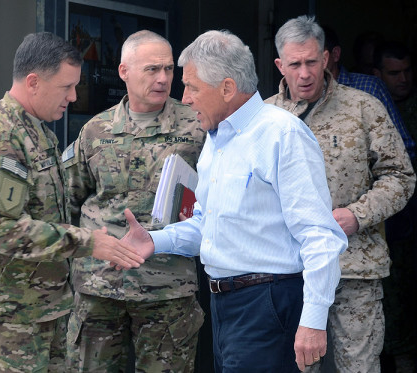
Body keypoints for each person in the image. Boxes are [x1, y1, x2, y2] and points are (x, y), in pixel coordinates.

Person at [120, 29, 349, 373]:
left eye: (193, 88)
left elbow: (320, 235)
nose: (185, 98)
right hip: (224, 305)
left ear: (227, 88)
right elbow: (206, 224)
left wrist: (314, 320)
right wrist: (154, 240)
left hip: (268, 303)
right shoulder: (216, 136)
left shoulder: (281, 134)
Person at [0, 32, 145, 373]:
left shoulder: (38, 133)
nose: (73, 96)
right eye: (66, 87)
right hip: (4, 320)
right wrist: (88, 242)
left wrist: (100, 244)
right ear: (34, 82)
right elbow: (3, 231)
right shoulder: (1, 139)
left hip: (41, 312)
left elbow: (48, 215)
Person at [265, 16, 416, 372]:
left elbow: (401, 176)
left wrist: (358, 215)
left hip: (355, 267)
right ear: (279, 65)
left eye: (312, 62)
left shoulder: (364, 108)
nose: (305, 73)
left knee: (358, 367)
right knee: (297, 367)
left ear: (327, 58)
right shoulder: (265, 118)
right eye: (295, 64)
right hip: (290, 271)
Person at [62, 30, 205, 373]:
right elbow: (70, 198)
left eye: (169, 70)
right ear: (124, 71)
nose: (163, 79)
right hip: (99, 289)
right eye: (152, 69)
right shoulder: (96, 131)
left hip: (166, 289)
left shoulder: (197, 126)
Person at [373, 40, 417, 372]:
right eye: (393, 73)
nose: (402, 79)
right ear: (377, 75)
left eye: (407, 71)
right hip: (381, 226)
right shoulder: (371, 106)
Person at [323, 25, 416, 161]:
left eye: (315, 57)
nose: (306, 68)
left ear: (335, 54)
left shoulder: (369, 88)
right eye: (297, 62)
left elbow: (402, 147)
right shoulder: (297, 96)